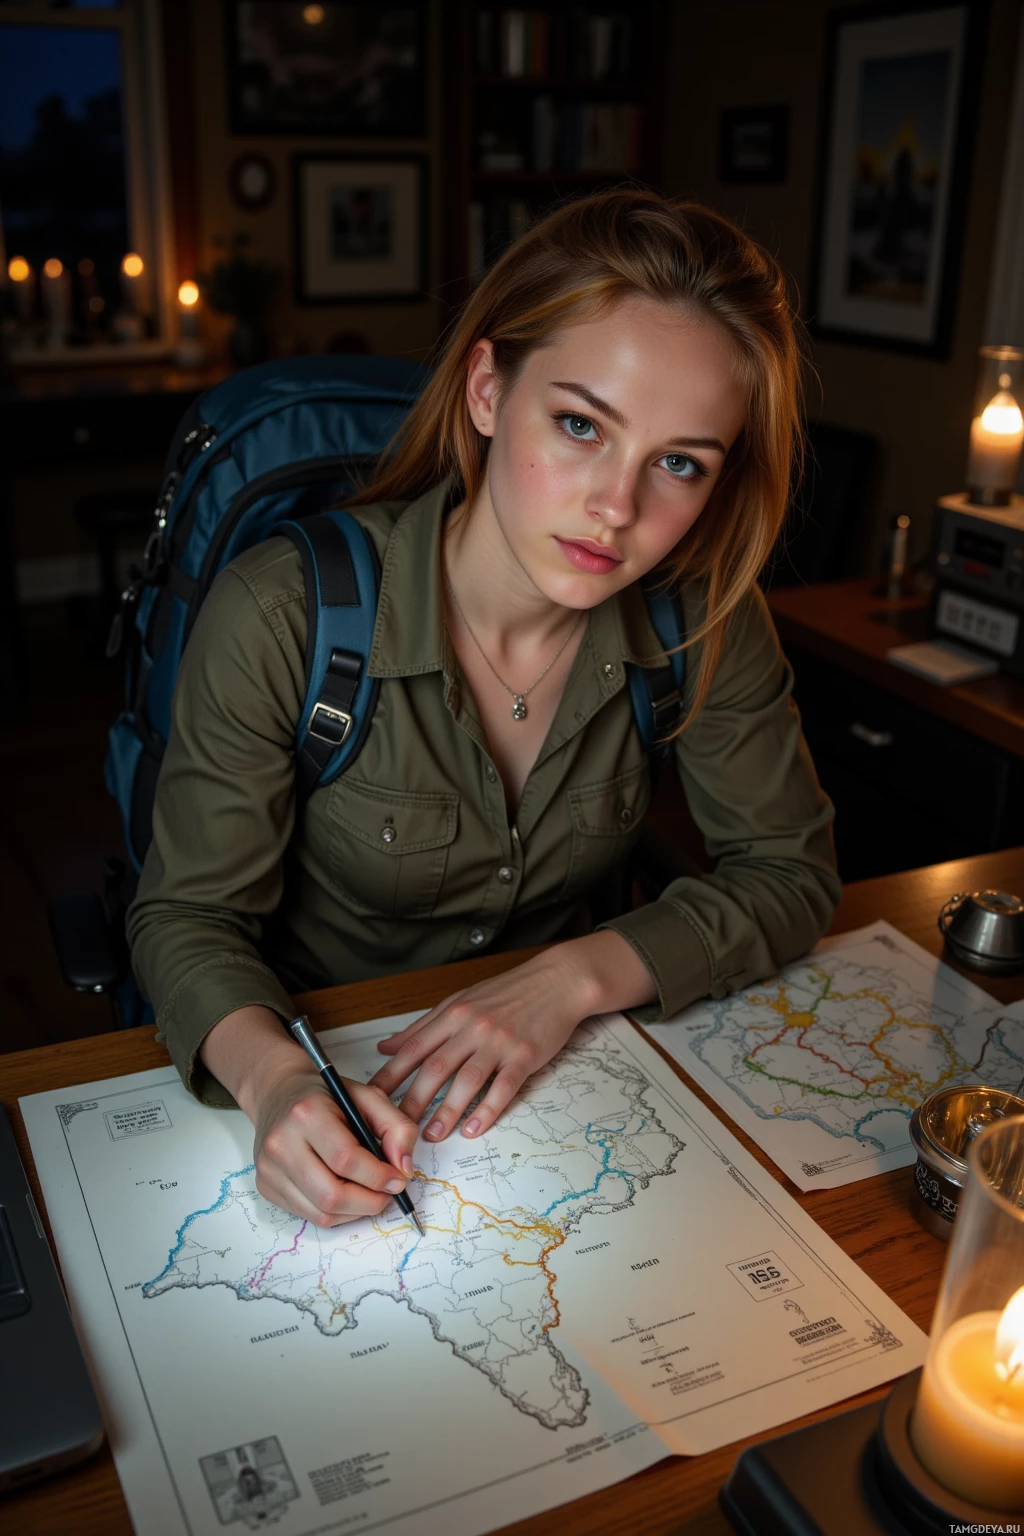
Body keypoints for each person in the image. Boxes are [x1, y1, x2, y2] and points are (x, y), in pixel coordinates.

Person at [127, 188, 840, 1233]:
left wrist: (570, 980)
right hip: (330, 1069)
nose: (617, 507)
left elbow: (790, 872)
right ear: (487, 389)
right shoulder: (282, 614)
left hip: (567, 1081)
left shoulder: (704, 618)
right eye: (581, 425)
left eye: (679, 463)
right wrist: (278, 1082)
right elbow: (186, 917)